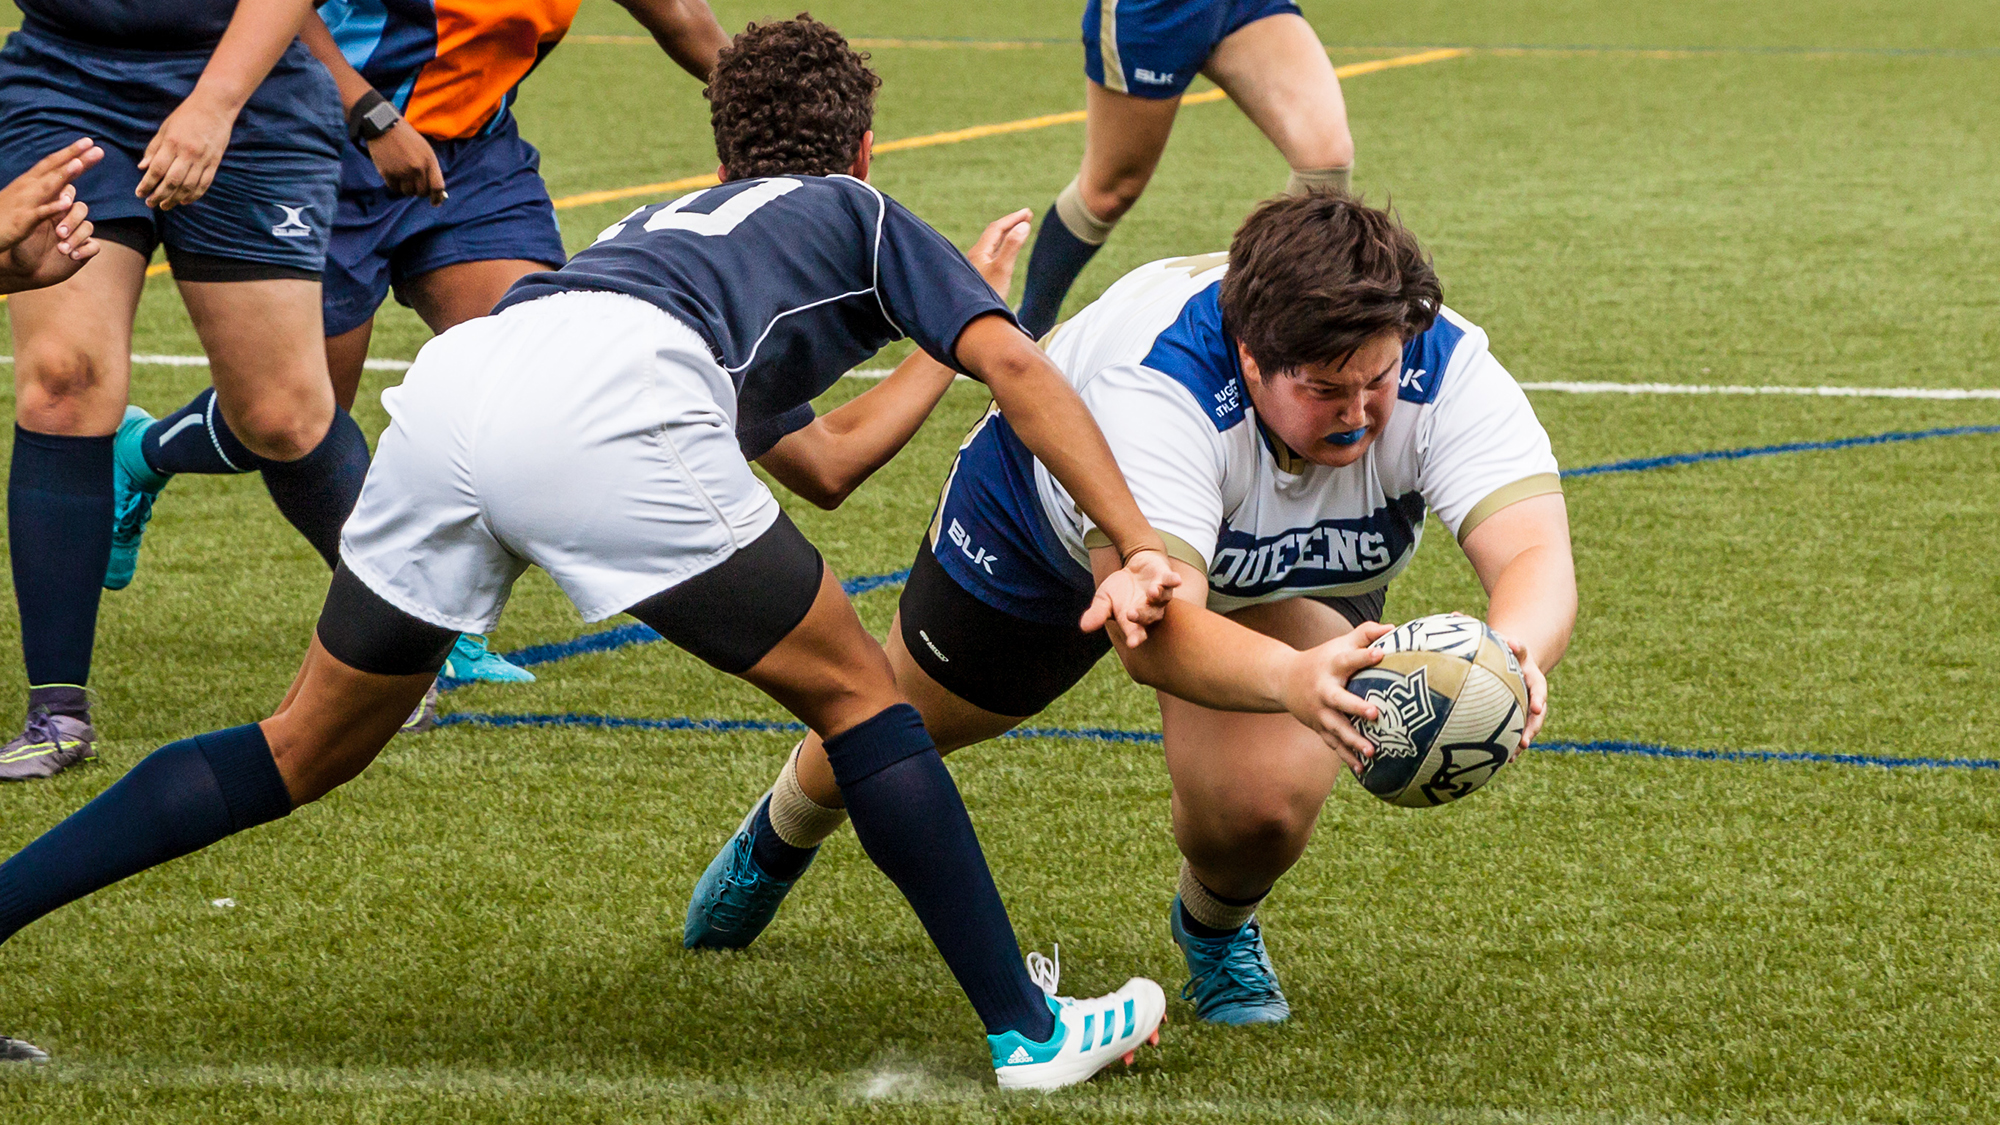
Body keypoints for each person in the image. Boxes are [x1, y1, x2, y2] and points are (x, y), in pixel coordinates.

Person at [0, 18, 1179, 1089]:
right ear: (862, 151)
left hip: (470, 380)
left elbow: (823, 465)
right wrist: (1130, 540)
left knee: (298, 746)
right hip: (612, 398)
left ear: (722, 153)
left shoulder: (664, 233)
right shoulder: (858, 211)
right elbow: (1014, 367)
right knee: (863, 702)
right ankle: (1027, 1031)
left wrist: (931, 343)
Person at [686, 191, 1579, 1028]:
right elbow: (1153, 634)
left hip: (1293, 561)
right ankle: (785, 825)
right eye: (1324, 389)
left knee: (1263, 808)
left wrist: (1511, 657)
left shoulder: (1446, 363)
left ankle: (1216, 929)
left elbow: (1534, 554)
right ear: (1250, 357)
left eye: (1377, 381)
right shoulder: (1158, 388)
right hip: (1043, 520)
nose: (1359, 413)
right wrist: (1294, 678)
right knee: (896, 724)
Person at [295, 0, 731, 689]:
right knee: (298, 418)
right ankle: (151, 453)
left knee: (531, 387)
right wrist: (371, 115)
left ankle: (428, 629)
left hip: (472, 157)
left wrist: (776, 122)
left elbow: (679, 17)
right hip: (325, 141)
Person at [0, 0, 372, 780]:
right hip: (63, 81)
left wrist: (213, 104)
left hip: (251, 88)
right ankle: (56, 712)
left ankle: (395, 646)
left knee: (280, 413)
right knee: (62, 379)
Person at [1014, 0, 1356, 338]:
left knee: (1325, 162)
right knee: (1109, 193)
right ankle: (1026, 329)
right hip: (1157, 11)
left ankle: (1271, 334)